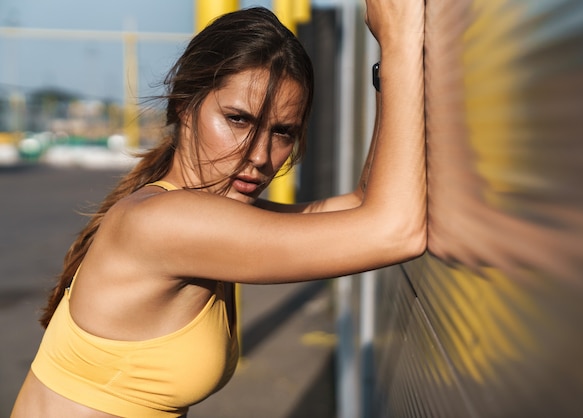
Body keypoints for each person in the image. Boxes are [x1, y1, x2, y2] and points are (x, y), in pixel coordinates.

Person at [11, 0, 425, 416]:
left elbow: (363, 205)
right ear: (183, 105)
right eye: (238, 120)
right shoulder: (167, 222)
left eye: (283, 132)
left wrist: (387, 73)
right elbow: (397, 231)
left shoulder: (192, 212)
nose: (261, 156)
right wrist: (399, 43)